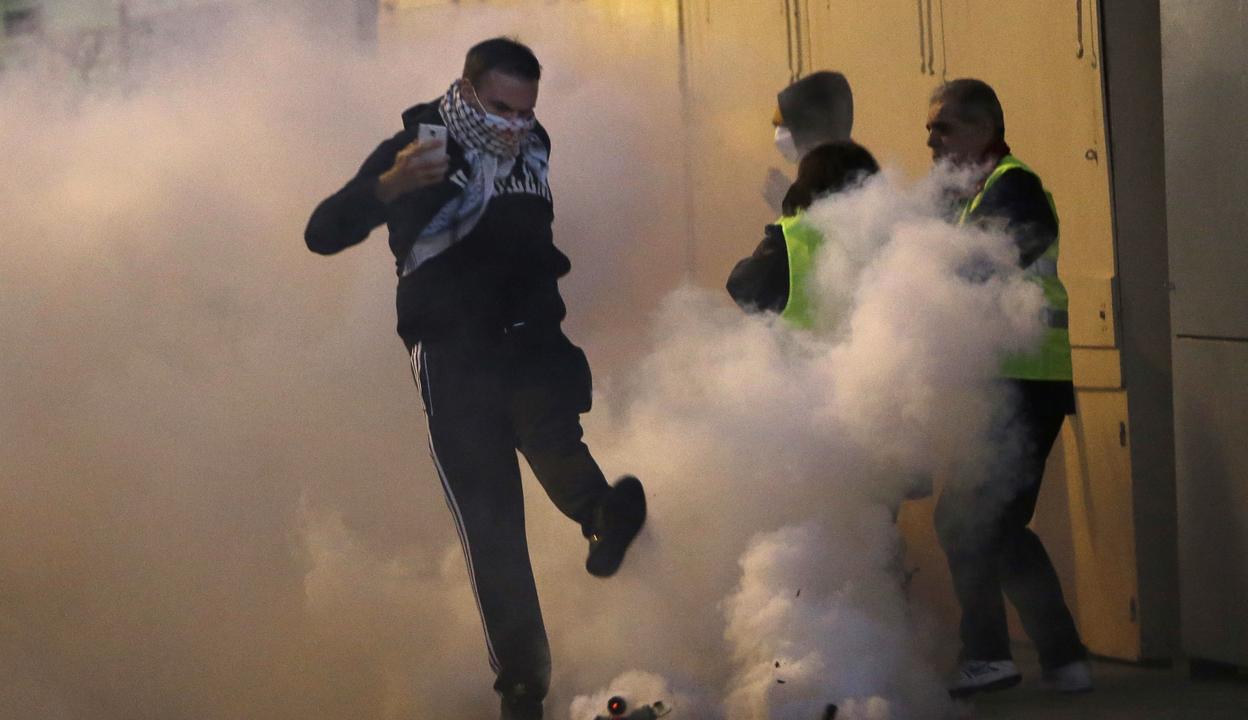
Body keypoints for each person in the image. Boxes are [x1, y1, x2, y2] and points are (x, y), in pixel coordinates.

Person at [304, 37, 646, 720]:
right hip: (451, 349)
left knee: (550, 432)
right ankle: (523, 686)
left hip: (528, 338)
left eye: (526, 113)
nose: (513, 127)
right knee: (490, 521)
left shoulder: (535, 143)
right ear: (465, 91)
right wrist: (393, 185)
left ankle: (602, 513)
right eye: (500, 108)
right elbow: (323, 230)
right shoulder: (420, 145)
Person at [924, 78, 1091, 696]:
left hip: (1026, 381)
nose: (932, 141)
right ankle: (1064, 656)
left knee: (968, 519)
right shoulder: (971, 197)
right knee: (995, 523)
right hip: (1013, 382)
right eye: (930, 130)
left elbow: (1001, 256)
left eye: (943, 128)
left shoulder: (1013, 186)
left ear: (984, 129)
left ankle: (990, 654)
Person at [729, 140, 880, 326]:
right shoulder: (882, 237)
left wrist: (787, 218)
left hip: (797, 353)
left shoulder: (792, 237)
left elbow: (742, 285)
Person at [763, 71, 856, 212]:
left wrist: (788, 204)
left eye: (784, 125)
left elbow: (828, 229)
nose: (778, 134)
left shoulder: (849, 177)